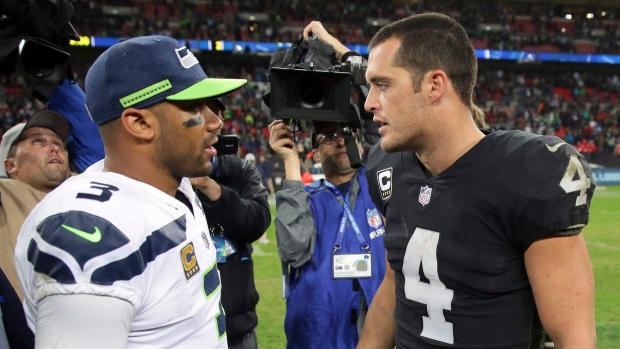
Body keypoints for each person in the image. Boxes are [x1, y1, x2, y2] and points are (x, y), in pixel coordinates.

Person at [359, 13, 596, 348]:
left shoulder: (529, 172)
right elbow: (394, 281)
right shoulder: (386, 166)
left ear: (434, 85)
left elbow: (574, 338)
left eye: (383, 85)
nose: (369, 102)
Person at [15, 35, 247, 348]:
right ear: (139, 123)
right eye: (194, 106)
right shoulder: (89, 235)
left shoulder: (171, 183)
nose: (216, 121)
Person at [269, 118, 387, 349]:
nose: (341, 140)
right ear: (315, 154)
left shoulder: (378, 186)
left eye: (347, 132)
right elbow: (293, 251)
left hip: (373, 328)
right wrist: (291, 161)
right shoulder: (305, 199)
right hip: (317, 329)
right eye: (330, 137)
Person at [190, 102, 271, 349]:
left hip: (238, 323)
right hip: (188, 328)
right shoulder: (171, 176)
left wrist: (207, 186)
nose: (211, 121)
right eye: (199, 113)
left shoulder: (241, 171)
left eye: (215, 113)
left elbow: (257, 222)